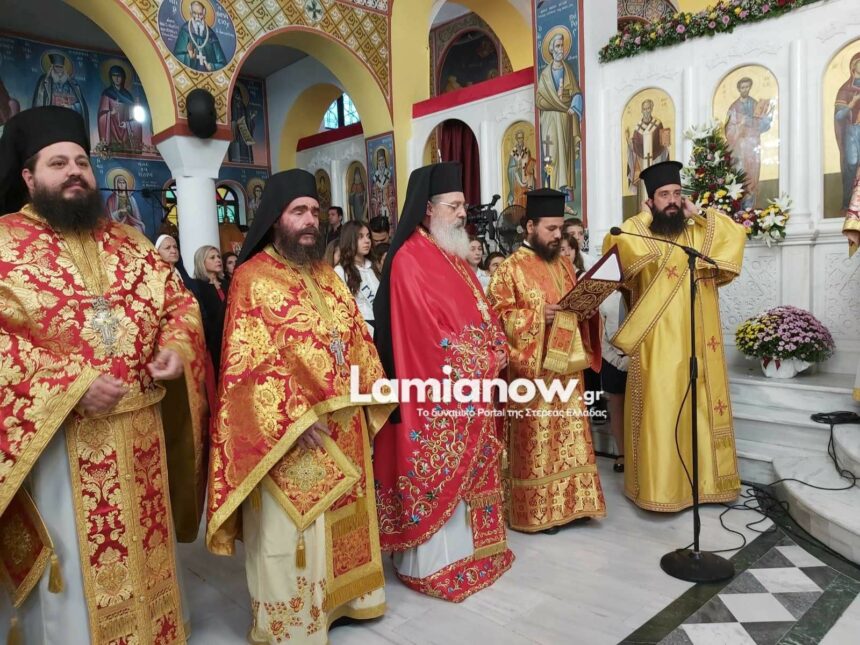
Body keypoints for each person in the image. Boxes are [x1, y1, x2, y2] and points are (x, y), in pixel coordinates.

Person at [0, 106, 208, 643]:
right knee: (74, 565)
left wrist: (175, 346)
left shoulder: (130, 241)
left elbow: (179, 303)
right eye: (57, 163)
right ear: (29, 177)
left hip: (141, 438)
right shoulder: (5, 243)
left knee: (147, 548)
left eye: (81, 162)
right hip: (60, 443)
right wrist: (70, 386)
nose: (74, 172)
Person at [207, 169, 393, 643]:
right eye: (299, 212)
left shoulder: (326, 274)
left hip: (344, 421)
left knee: (343, 518)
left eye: (314, 211)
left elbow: (356, 336)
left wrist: (370, 393)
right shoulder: (252, 278)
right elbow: (247, 362)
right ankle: (293, 621)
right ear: (276, 219)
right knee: (294, 528)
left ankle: (348, 599)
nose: (310, 220)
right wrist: (292, 419)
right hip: (292, 432)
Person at [373, 162, 513, 601]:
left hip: (471, 388)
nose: (461, 214)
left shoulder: (453, 256)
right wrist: (482, 359)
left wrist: (497, 346)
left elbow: (481, 312)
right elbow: (425, 336)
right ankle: (435, 563)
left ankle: (477, 550)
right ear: (428, 209)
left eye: (462, 206)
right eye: (453, 206)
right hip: (432, 391)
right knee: (438, 469)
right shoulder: (409, 259)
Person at [603, 160, 746, 512]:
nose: (671, 200)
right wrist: (644, 218)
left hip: (700, 339)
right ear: (650, 200)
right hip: (658, 344)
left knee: (700, 409)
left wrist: (700, 214)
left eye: (677, 193)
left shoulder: (697, 232)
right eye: (664, 194)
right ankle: (663, 490)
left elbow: (734, 238)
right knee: (663, 411)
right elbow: (616, 252)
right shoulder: (636, 231)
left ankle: (707, 484)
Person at [487, 188, 605, 533]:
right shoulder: (509, 269)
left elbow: (573, 305)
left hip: (568, 369)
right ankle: (540, 510)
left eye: (560, 229)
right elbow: (495, 320)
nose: (557, 236)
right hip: (534, 374)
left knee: (571, 436)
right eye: (550, 229)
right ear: (529, 227)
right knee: (539, 439)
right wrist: (538, 315)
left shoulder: (564, 264)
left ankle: (577, 503)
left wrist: (587, 310)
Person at [536, 30, 581, 196]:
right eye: (557, 46)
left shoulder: (568, 70)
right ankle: (553, 191)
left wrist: (574, 107)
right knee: (551, 155)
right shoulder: (544, 75)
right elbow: (539, 100)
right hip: (549, 121)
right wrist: (556, 103)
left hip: (565, 119)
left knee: (565, 155)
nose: (560, 49)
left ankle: (565, 193)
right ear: (551, 49)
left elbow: (577, 93)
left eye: (562, 45)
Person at [725, 77, 774, 208]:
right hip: (740, 148)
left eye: (747, 87)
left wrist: (768, 117)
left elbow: (761, 126)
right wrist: (740, 125)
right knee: (741, 176)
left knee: (753, 177)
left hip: (753, 147)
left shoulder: (755, 104)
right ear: (739, 89)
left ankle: (750, 208)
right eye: (743, 87)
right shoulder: (734, 107)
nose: (745, 90)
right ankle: (739, 208)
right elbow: (729, 130)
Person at [600, 290, 629, 473]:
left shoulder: (642, 287)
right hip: (612, 357)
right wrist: (616, 360)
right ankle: (622, 453)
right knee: (617, 404)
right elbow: (600, 332)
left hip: (642, 355)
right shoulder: (606, 293)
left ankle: (642, 452)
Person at [335, 220, 380, 337]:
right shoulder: (340, 271)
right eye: (360, 237)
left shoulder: (373, 267)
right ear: (350, 240)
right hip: (359, 330)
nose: (367, 241)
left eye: (368, 236)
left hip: (380, 327)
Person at [193, 245, 229, 377]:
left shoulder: (226, 283)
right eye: (212, 258)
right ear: (201, 262)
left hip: (231, 338)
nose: (218, 260)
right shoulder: (197, 286)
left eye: (218, 257)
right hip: (212, 342)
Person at [626, 99, 669, 207]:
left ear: (651, 109)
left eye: (648, 108)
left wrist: (666, 141)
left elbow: (663, 144)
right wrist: (629, 142)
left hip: (656, 161)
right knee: (643, 189)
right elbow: (635, 146)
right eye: (644, 109)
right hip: (642, 163)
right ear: (641, 110)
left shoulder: (657, 124)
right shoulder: (638, 128)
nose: (646, 111)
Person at [31, 52, 88, 125]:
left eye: (61, 67)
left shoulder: (72, 84)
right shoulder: (45, 81)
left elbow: (80, 106)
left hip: (68, 121)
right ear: (52, 67)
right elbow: (39, 103)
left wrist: (71, 106)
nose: (59, 70)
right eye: (57, 66)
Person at [97, 64, 143, 153]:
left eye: (119, 76)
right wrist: (110, 114)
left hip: (126, 132)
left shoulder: (128, 96)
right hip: (112, 131)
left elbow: (135, 118)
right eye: (114, 75)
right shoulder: (107, 94)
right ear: (111, 77)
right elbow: (101, 116)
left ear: (123, 78)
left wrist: (127, 124)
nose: (117, 78)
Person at [173, 0, 227, 72]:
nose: (197, 17)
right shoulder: (185, 30)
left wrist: (212, 66)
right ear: (191, 13)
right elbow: (176, 57)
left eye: (200, 14)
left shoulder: (211, 34)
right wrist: (189, 57)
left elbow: (223, 64)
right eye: (194, 13)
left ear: (204, 13)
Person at [836, 52, 860, 210]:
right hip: (852, 131)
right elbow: (839, 116)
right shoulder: (845, 90)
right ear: (853, 67)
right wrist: (851, 104)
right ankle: (850, 205)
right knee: (852, 164)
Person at [507, 128, 536, 208]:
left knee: (526, 198)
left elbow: (530, 163)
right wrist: (516, 168)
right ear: (516, 139)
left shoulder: (527, 150)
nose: (521, 139)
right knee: (518, 197)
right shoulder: (513, 152)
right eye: (519, 138)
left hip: (526, 178)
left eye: (522, 137)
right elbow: (509, 169)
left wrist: (530, 168)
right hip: (517, 180)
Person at [228, 83, 255, 163]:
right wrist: (234, 123)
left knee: (245, 151)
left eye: (239, 95)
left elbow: (248, 119)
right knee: (236, 152)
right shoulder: (231, 106)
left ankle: (247, 161)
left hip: (244, 135)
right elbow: (229, 120)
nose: (238, 98)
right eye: (236, 95)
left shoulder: (243, 107)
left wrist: (250, 119)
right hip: (236, 135)